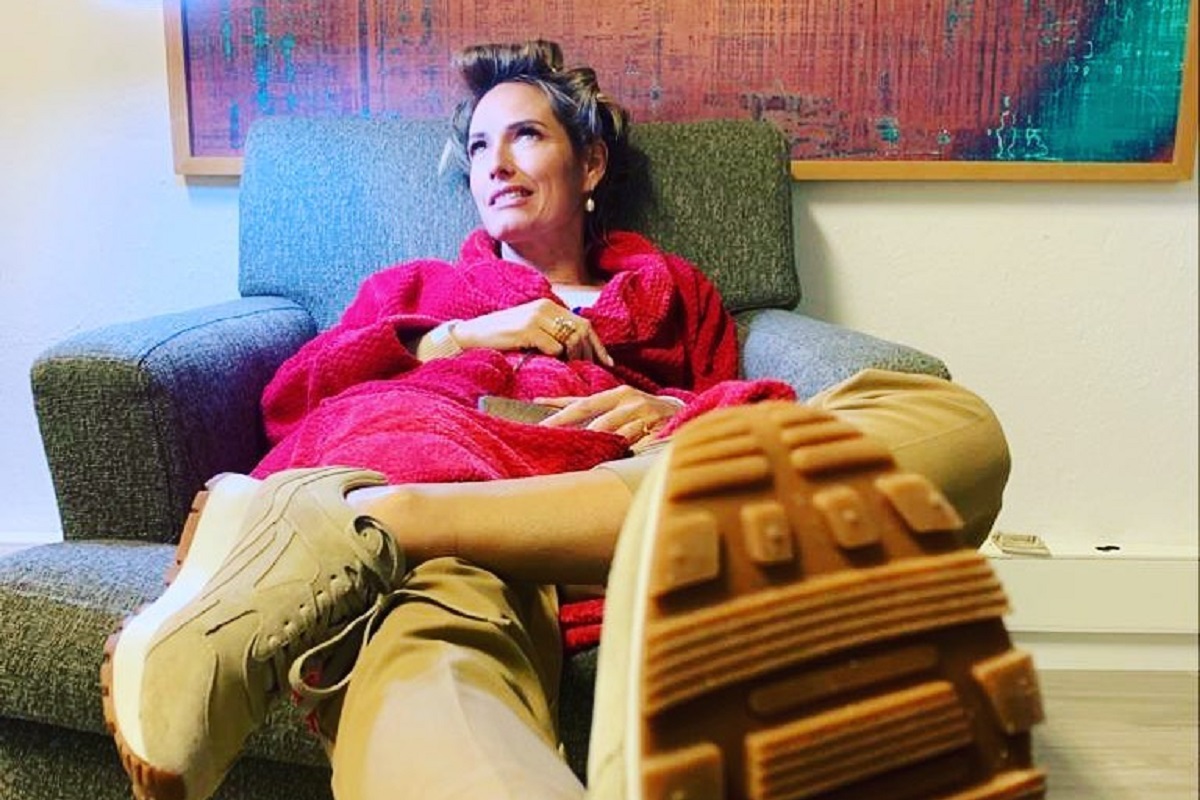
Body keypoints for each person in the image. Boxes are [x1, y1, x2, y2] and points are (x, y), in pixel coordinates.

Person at [101, 40, 1039, 800]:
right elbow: (294, 399)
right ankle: (397, 523)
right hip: (452, 496)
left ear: (589, 162)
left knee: (949, 422)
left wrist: (673, 408)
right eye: (479, 147)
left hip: (602, 523)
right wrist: (460, 334)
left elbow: (739, 419)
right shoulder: (422, 290)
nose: (497, 164)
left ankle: (372, 526)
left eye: (525, 136)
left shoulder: (671, 295)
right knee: (440, 651)